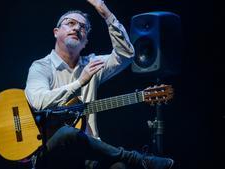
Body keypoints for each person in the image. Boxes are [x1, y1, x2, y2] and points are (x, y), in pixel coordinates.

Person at [25, 0, 174, 169]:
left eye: (83, 27)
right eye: (70, 23)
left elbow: (126, 55)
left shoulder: (91, 64)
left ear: (86, 41)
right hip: (51, 151)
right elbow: (38, 101)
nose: (76, 28)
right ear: (56, 32)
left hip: (88, 153)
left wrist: (106, 13)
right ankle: (138, 159)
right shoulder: (41, 66)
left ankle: (131, 160)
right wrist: (80, 82)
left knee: (118, 167)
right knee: (68, 133)